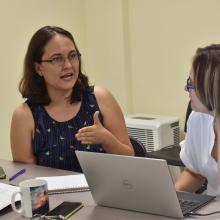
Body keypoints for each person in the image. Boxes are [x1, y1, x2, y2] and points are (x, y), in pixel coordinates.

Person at [10, 26, 134, 172]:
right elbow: (25, 179)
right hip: (53, 195)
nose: (68, 65)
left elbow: (130, 160)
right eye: (57, 59)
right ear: (38, 68)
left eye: (73, 56)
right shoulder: (24, 115)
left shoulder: (100, 97)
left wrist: (106, 139)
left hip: (103, 193)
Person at [175, 44, 220, 196]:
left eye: (191, 84)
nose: (185, 89)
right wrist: (173, 196)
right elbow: (195, 172)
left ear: (213, 88)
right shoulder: (198, 119)